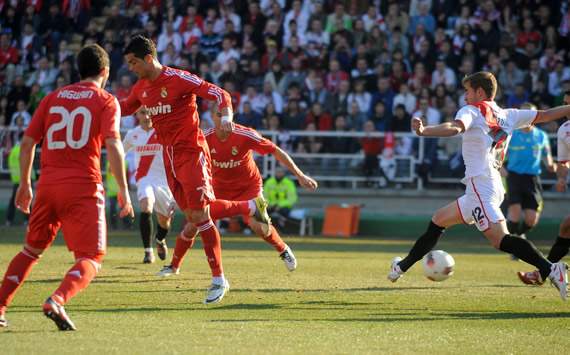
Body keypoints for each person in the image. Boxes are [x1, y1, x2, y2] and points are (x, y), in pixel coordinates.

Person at [387, 71, 570, 300]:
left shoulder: (472, 110)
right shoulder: (508, 115)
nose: (465, 96)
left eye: (468, 91)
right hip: (491, 185)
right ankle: (401, 267)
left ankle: (551, 269)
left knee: (500, 240)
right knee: (438, 220)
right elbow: (545, 115)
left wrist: (425, 131)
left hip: (480, 185)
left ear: (480, 92)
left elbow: (455, 127)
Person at [120, 35, 269, 304]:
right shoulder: (142, 88)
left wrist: (226, 116)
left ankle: (218, 279)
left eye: (133, 62)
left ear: (149, 59)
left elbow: (218, 93)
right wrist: (96, 107)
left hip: (191, 152)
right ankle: (248, 207)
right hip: (169, 157)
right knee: (192, 215)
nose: (131, 68)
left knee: (200, 213)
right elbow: (122, 107)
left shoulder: (178, 79)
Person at [0, 44, 134, 330]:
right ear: (106, 72)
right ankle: (57, 300)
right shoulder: (106, 100)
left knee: (30, 250)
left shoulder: (52, 98)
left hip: (47, 185)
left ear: (78, 70)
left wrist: (25, 183)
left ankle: (0, 307)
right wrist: (122, 188)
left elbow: (27, 144)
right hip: (83, 187)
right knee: (91, 257)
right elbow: (113, 143)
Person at [157, 109, 318, 277]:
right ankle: (174, 266)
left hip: (249, 188)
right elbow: (187, 168)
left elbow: (275, 150)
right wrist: (177, 198)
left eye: (226, 114)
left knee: (260, 228)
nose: (223, 119)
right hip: (217, 189)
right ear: (212, 117)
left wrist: (299, 175)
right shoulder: (204, 138)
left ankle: (283, 249)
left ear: (232, 116)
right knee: (192, 226)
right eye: (218, 115)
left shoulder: (245, 135)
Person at [518, 90, 570, 285]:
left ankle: (542, 273)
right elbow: (564, 161)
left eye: (569, 105)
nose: (566, 109)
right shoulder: (564, 129)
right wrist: (562, 178)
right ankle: (544, 273)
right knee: (566, 227)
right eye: (564, 104)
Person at [502, 102, 556, 260]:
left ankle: (517, 239)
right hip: (513, 177)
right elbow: (497, 153)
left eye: (531, 114)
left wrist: (554, 167)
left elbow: (548, 160)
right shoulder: (512, 134)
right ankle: (514, 248)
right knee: (515, 213)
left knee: (531, 220)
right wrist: (500, 167)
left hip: (532, 179)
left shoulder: (541, 136)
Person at [123, 109, 175, 264]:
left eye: (148, 112)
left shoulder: (163, 131)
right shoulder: (133, 134)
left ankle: (160, 239)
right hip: (143, 179)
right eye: (142, 113)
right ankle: (148, 252)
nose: (146, 116)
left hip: (163, 181)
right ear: (137, 115)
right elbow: (120, 152)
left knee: (164, 221)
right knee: (146, 206)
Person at [5, 133, 35, 226]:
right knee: (26, 201)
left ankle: (9, 220)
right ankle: (28, 220)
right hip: (25, 179)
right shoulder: (24, 149)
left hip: (18, 179)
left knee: (15, 201)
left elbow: (11, 164)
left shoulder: (14, 150)